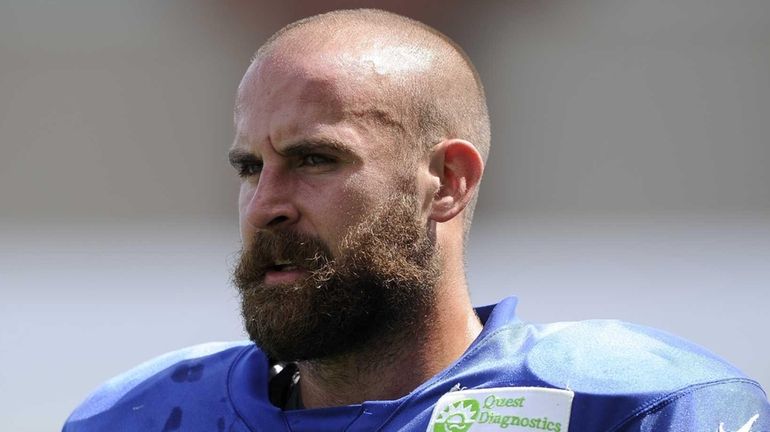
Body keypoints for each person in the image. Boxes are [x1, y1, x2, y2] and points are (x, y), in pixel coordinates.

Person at [63, 9, 769, 432]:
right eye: (250, 167)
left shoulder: (632, 408)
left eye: (314, 159)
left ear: (446, 182)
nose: (266, 204)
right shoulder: (139, 418)